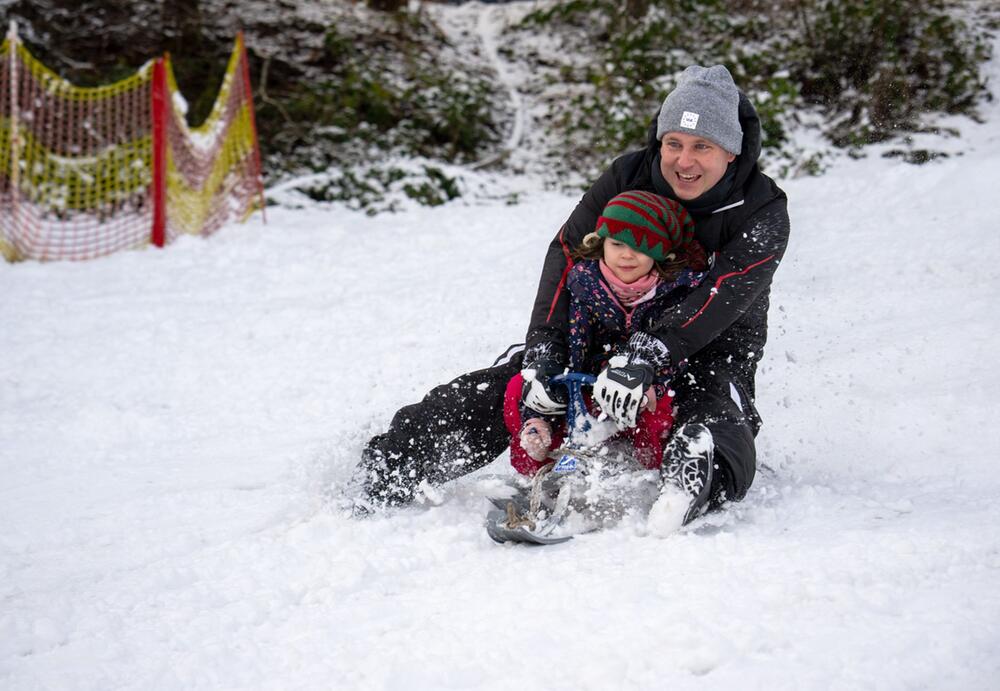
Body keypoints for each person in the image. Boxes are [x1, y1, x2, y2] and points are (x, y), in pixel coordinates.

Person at [355, 64, 790, 525]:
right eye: (674, 144)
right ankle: (391, 466)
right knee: (514, 389)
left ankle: (693, 477)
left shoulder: (762, 208)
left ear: (730, 151)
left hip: (705, 348)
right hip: (596, 330)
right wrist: (545, 349)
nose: (684, 161)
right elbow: (566, 254)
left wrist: (647, 354)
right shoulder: (628, 175)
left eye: (702, 147)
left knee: (716, 409)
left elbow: (724, 293)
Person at [505, 190, 708, 477]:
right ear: (601, 244)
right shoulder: (583, 285)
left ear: (661, 252)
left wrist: (653, 385)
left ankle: (650, 471)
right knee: (519, 386)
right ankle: (542, 466)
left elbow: (675, 350)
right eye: (617, 244)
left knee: (659, 403)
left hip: (640, 397)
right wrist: (539, 414)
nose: (626, 255)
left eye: (641, 247)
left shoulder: (675, 293)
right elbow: (572, 348)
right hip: (587, 394)